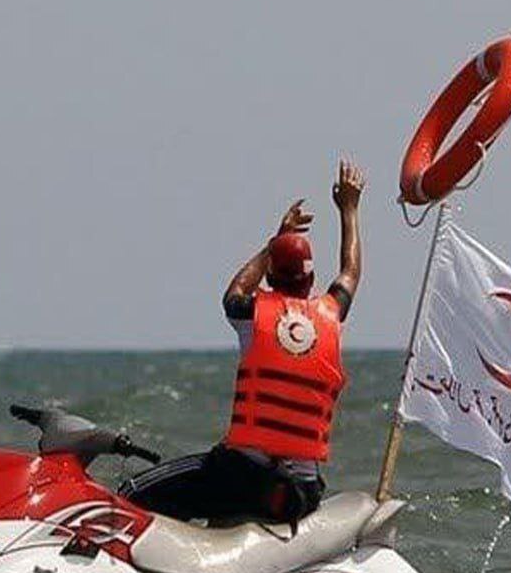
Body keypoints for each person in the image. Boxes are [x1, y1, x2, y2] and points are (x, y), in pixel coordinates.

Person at [120, 160, 365, 527]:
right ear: (311, 278)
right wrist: (350, 209)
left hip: (242, 481)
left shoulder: (251, 313)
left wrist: (274, 242)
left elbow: (235, 289)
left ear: (269, 275)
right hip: (302, 492)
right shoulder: (331, 316)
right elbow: (350, 271)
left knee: (129, 494)